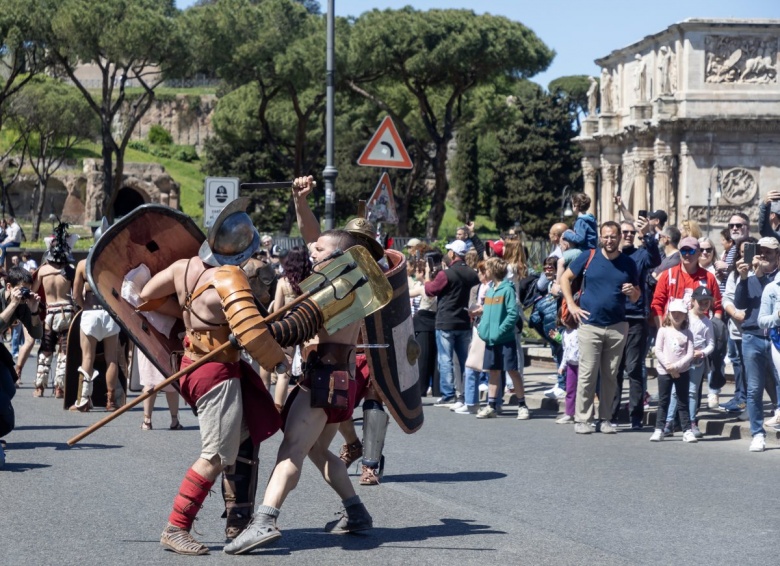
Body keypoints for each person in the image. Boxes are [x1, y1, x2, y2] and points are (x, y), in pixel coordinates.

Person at [225, 177, 380, 555]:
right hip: (333, 378)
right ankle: (357, 512)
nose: (311, 251)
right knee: (314, 451)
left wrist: (255, 333)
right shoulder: (347, 281)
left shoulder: (337, 289)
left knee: (292, 449)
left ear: (339, 257)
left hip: (323, 380)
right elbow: (317, 236)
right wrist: (300, 202)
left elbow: (299, 325)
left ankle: (264, 520)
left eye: (320, 250)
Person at [141, 199, 284, 554]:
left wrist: (197, 319)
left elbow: (145, 297)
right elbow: (254, 335)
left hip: (191, 363)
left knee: (246, 432)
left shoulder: (184, 267)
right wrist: (279, 362)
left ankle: (240, 517)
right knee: (217, 455)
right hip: (215, 374)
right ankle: (177, 526)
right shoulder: (229, 277)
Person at [560, 221, 641, 434]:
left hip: (617, 325)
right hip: (589, 324)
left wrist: (632, 291)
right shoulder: (588, 257)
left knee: (610, 375)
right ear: (601, 237)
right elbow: (565, 278)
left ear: (619, 238)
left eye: (613, 236)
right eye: (605, 236)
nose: (609, 240)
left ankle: (605, 419)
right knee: (587, 373)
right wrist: (571, 304)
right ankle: (582, 419)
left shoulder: (628, 263)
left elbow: (637, 295)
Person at [611, 216, 661, 429]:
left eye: (632, 232)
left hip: (636, 318)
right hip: (614, 318)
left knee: (634, 368)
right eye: (625, 232)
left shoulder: (641, 255)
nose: (628, 235)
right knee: (614, 369)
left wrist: (647, 234)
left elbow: (656, 259)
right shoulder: (610, 255)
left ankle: (635, 416)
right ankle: (610, 415)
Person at [70, 219, 123, 412]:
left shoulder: (83, 264)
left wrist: (84, 306)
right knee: (111, 359)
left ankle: (84, 400)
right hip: (110, 314)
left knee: (88, 357)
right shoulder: (115, 263)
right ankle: (110, 401)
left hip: (91, 313)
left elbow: (76, 294)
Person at [733, 236, 780, 453]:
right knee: (754, 389)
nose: (763, 255)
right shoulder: (749, 277)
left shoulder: (777, 281)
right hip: (752, 337)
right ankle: (757, 433)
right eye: (760, 251)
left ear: (777, 255)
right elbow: (741, 304)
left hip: (775, 337)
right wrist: (745, 278)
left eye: (769, 251)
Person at [424, 238, 480, 406]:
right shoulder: (472, 273)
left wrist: (427, 276)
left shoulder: (446, 274)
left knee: (445, 359)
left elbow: (430, 290)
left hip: (446, 321)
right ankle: (465, 392)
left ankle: (448, 394)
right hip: (464, 320)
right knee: (464, 359)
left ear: (453, 254)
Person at [475, 257, 528, 420]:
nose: (486, 272)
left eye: (487, 269)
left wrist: (499, 330)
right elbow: (486, 313)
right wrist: (483, 329)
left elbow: (512, 314)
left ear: (493, 271)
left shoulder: (507, 290)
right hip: (491, 340)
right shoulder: (490, 290)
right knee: (493, 372)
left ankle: (522, 405)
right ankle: (491, 405)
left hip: (504, 339)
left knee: (512, 371)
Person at [0, 266, 42, 467]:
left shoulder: (23, 304)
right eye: (21, 290)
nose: (24, 294)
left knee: (8, 388)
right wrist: (12, 305)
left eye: (28, 289)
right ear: (9, 287)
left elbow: (36, 334)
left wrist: (34, 311)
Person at [31, 222, 78, 398]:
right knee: (64, 351)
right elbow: (77, 293)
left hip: (50, 313)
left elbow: (34, 291)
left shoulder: (43, 270)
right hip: (66, 312)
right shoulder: (70, 270)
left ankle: (39, 387)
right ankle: (59, 388)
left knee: (46, 348)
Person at [664, 286, 714, 438]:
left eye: (707, 303)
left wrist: (703, 352)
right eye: (701, 302)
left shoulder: (708, 323)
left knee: (692, 392)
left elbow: (711, 343)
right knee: (675, 392)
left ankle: (692, 422)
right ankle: (669, 422)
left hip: (696, 361)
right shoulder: (685, 318)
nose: (704, 305)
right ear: (692, 301)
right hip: (680, 359)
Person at [269, 246, 312, 411]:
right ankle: (302, 407)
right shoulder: (311, 279)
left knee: (284, 372)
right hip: (309, 324)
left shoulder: (283, 282)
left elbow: (277, 310)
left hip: (289, 326)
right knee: (307, 369)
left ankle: (278, 408)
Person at [650, 299, 697, 443]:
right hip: (665, 372)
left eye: (680, 313)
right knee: (663, 401)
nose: (676, 316)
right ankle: (659, 429)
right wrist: (669, 367)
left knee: (683, 401)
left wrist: (676, 367)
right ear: (669, 314)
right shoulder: (663, 331)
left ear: (685, 315)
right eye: (673, 313)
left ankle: (687, 430)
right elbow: (658, 350)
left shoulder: (688, 333)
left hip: (682, 371)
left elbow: (689, 353)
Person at [138, 348, 183, 430]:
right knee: (171, 381)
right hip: (165, 344)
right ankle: (174, 420)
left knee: (150, 382)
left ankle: (147, 421)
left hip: (148, 344)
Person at [553, 314, 579, 424]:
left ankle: (587, 414)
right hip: (570, 364)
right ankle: (569, 413)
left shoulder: (578, 331)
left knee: (585, 390)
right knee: (570, 389)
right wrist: (562, 365)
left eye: (566, 317)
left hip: (581, 363)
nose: (564, 320)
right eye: (562, 317)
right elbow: (565, 351)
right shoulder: (564, 333)